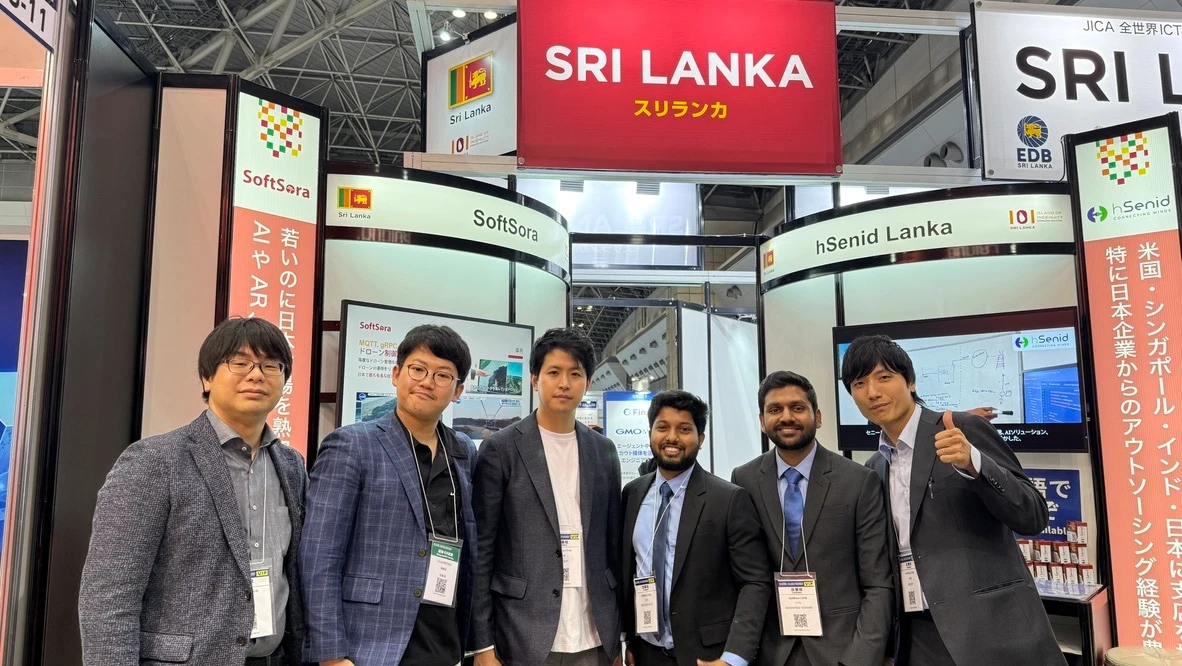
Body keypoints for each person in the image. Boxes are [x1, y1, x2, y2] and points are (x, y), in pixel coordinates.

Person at [78, 317, 307, 666]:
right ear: (207, 378)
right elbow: (109, 596)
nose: (256, 375)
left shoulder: (291, 465)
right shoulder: (155, 461)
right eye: (240, 363)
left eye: (270, 365)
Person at [841, 335, 1065, 666]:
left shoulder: (960, 429)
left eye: (884, 377)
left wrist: (975, 464)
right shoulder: (874, 467)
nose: (872, 392)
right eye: (859, 384)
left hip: (991, 629)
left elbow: (1033, 515)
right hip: (919, 637)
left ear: (911, 382)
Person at [301, 325, 478, 666]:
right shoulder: (352, 445)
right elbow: (319, 556)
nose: (427, 382)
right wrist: (331, 654)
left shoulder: (463, 451)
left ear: (457, 391)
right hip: (369, 645)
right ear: (396, 374)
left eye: (443, 375)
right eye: (418, 369)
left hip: (444, 639)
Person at [472, 327, 623, 666]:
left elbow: (612, 545)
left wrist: (619, 636)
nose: (564, 383)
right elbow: (483, 551)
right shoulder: (501, 449)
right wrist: (482, 644)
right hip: (523, 633)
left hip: (596, 634)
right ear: (534, 379)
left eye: (575, 374)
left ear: (588, 381)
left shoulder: (603, 451)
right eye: (554, 372)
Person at [731, 371, 893, 666]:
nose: (786, 417)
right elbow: (747, 577)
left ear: (817, 417)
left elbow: (878, 583)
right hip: (771, 652)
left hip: (842, 650)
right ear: (762, 421)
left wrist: (860, 658)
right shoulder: (745, 480)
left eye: (797, 407)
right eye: (775, 410)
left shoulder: (858, 481)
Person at [622, 390, 770, 666]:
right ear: (651, 432)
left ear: (700, 438)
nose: (672, 438)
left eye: (684, 429)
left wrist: (734, 657)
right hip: (646, 653)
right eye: (662, 427)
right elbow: (629, 570)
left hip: (709, 657)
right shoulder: (632, 494)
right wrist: (628, 639)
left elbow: (755, 583)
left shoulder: (728, 499)